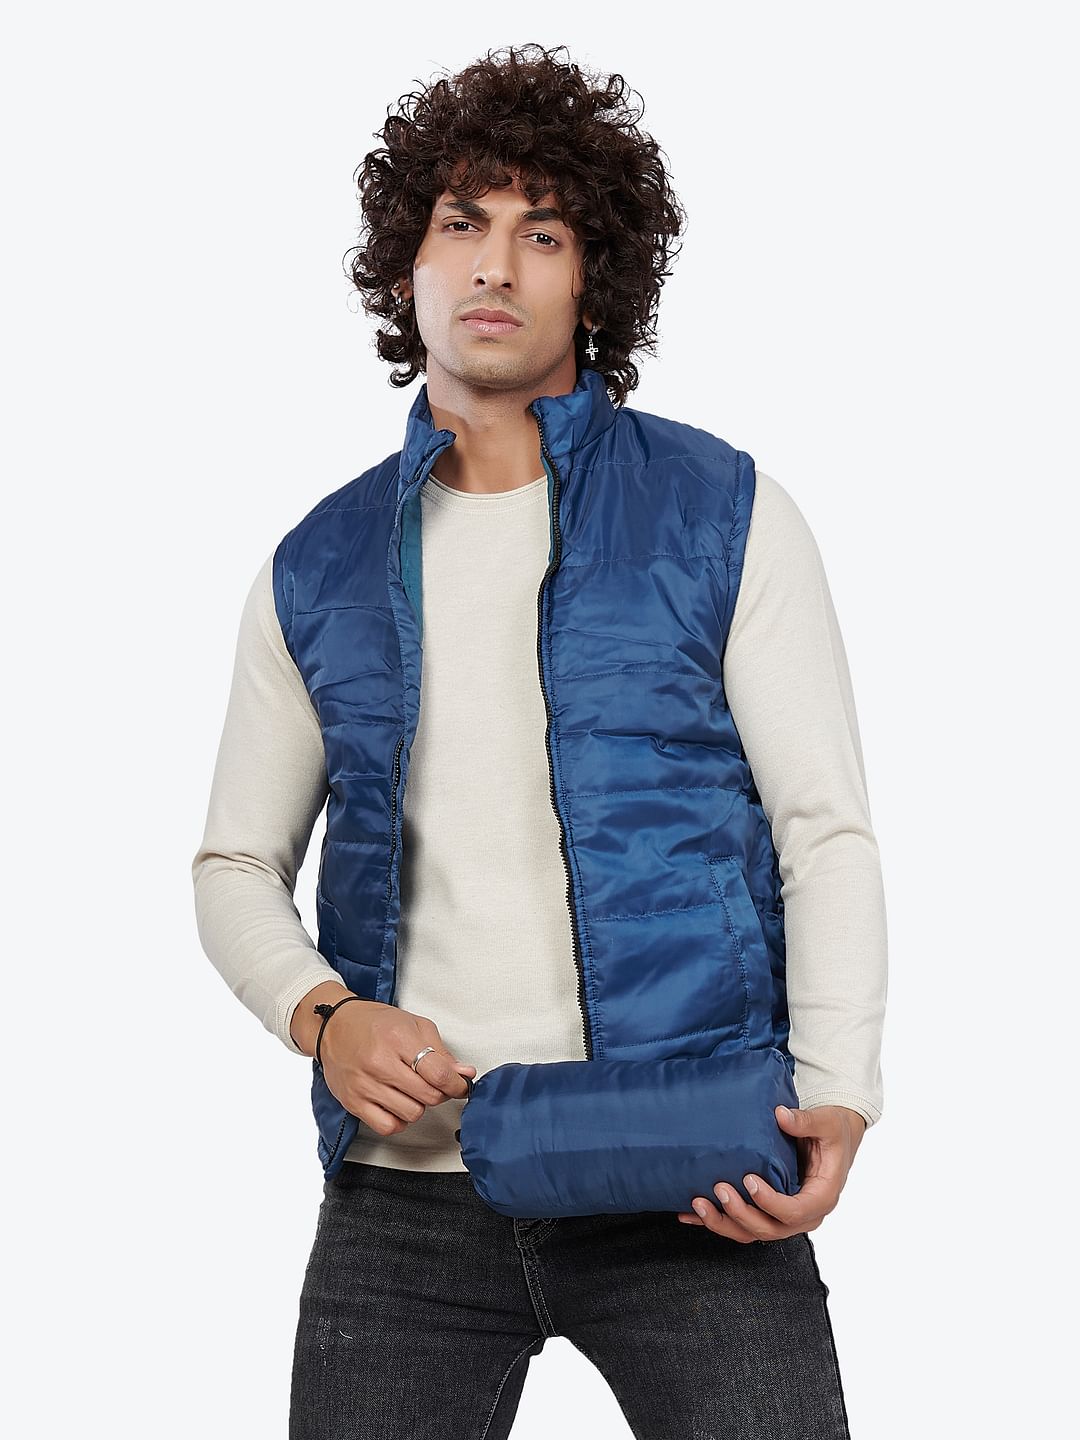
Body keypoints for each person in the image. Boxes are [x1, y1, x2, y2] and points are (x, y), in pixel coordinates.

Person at [192, 42, 887, 1440]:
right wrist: (324, 1018)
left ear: (594, 279)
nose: (497, 266)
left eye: (545, 233)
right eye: (463, 224)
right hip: (404, 1199)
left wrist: (840, 1092)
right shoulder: (316, 568)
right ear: (408, 266)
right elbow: (233, 865)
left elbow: (823, 830)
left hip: (688, 1167)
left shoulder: (724, 513)